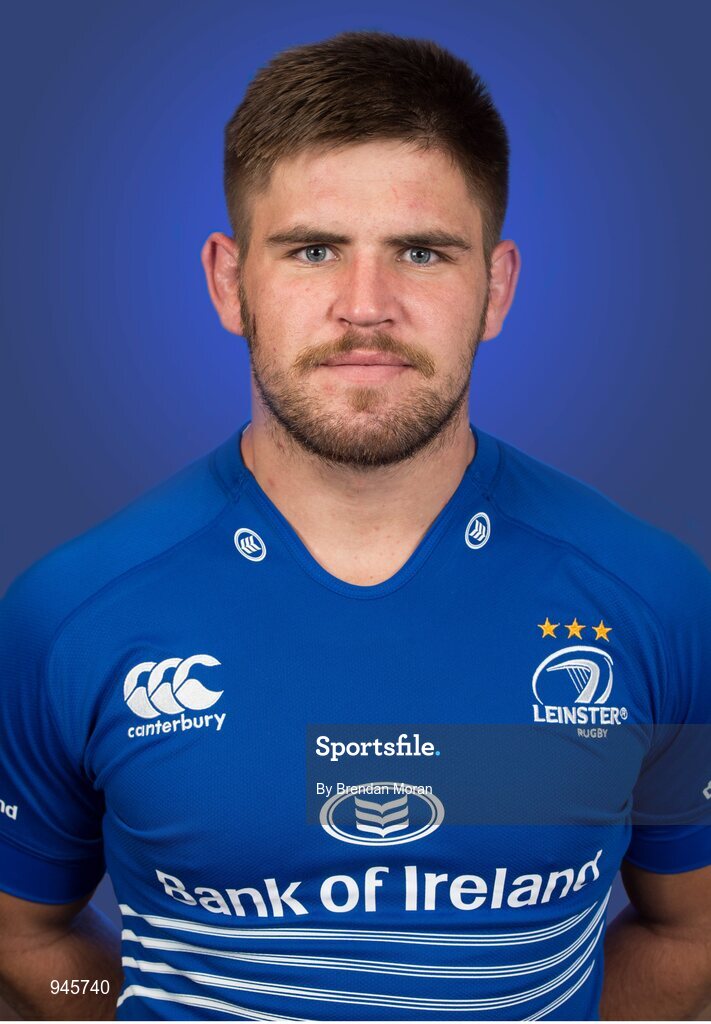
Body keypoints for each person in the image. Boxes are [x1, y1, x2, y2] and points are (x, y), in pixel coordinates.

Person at [0, 29, 709, 1023]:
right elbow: (26, 938)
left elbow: (692, 931)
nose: (365, 307)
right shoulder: (66, 616)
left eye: (421, 252)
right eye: (313, 249)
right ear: (226, 280)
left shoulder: (658, 600)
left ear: (497, 287)